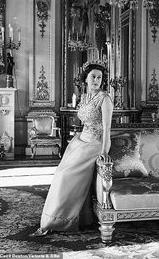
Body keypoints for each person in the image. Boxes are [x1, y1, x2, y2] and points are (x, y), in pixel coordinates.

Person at [30, 58, 113, 236]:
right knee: (60, 172)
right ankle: (73, 217)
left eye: (99, 77)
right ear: (86, 79)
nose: (97, 80)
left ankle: (57, 220)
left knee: (64, 175)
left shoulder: (105, 99)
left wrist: (104, 152)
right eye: (93, 77)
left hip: (94, 144)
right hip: (80, 141)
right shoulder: (84, 97)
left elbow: (107, 129)